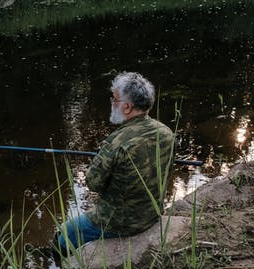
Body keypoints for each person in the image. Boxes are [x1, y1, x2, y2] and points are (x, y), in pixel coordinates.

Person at [55, 71, 175, 254]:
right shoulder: (166, 132)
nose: (112, 103)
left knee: (65, 233)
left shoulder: (116, 141)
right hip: (152, 214)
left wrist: (101, 158)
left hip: (119, 223)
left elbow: (93, 183)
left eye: (114, 100)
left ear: (126, 107)